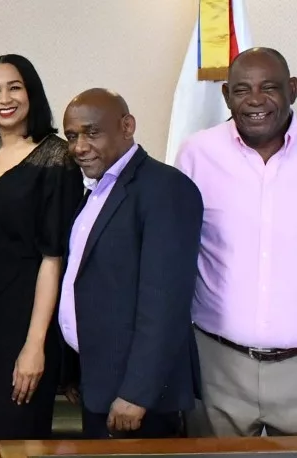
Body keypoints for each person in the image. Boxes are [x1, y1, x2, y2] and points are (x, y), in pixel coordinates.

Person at [59, 88, 203, 439]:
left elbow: (165, 302)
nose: (79, 146)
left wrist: (137, 393)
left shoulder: (164, 189)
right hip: (98, 380)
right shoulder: (98, 189)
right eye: (72, 136)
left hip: (136, 397)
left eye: (92, 132)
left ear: (127, 126)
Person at [0, 54, 83, 439]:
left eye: (14, 87)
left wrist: (34, 345)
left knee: (16, 435)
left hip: (27, 318)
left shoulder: (57, 158)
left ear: (32, 93)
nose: (3, 98)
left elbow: (53, 259)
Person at [175, 47, 297, 437]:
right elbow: (177, 251)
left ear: (293, 89)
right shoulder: (196, 153)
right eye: (242, 89)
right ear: (226, 95)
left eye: (270, 88)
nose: (255, 100)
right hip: (217, 365)